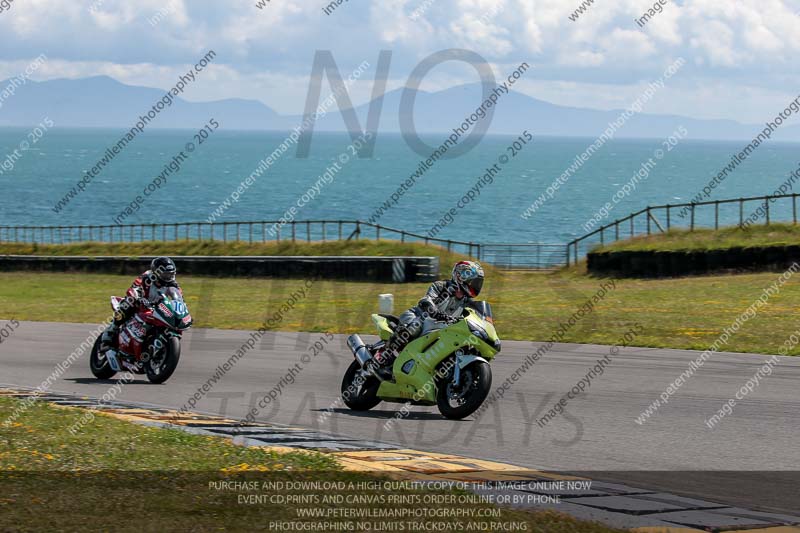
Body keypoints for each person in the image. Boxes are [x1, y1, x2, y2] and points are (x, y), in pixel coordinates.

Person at [371, 260, 485, 380]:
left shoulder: (467, 302)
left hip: (440, 329)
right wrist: (436, 312)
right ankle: (383, 356)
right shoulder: (441, 286)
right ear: (460, 276)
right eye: (473, 281)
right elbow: (426, 300)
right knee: (414, 327)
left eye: (477, 283)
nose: (475, 285)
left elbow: (474, 317)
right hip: (418, 316)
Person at [100, 257, 181, 351]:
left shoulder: (173, 285)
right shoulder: (147, 277)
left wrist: (181, 312)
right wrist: (138, 297)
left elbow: (179, 299)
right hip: (140, 304)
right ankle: (111, 330)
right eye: (165, 274)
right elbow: (134, 287)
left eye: (170, 274)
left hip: (157, 309)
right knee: (128, 304)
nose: (168, 277)